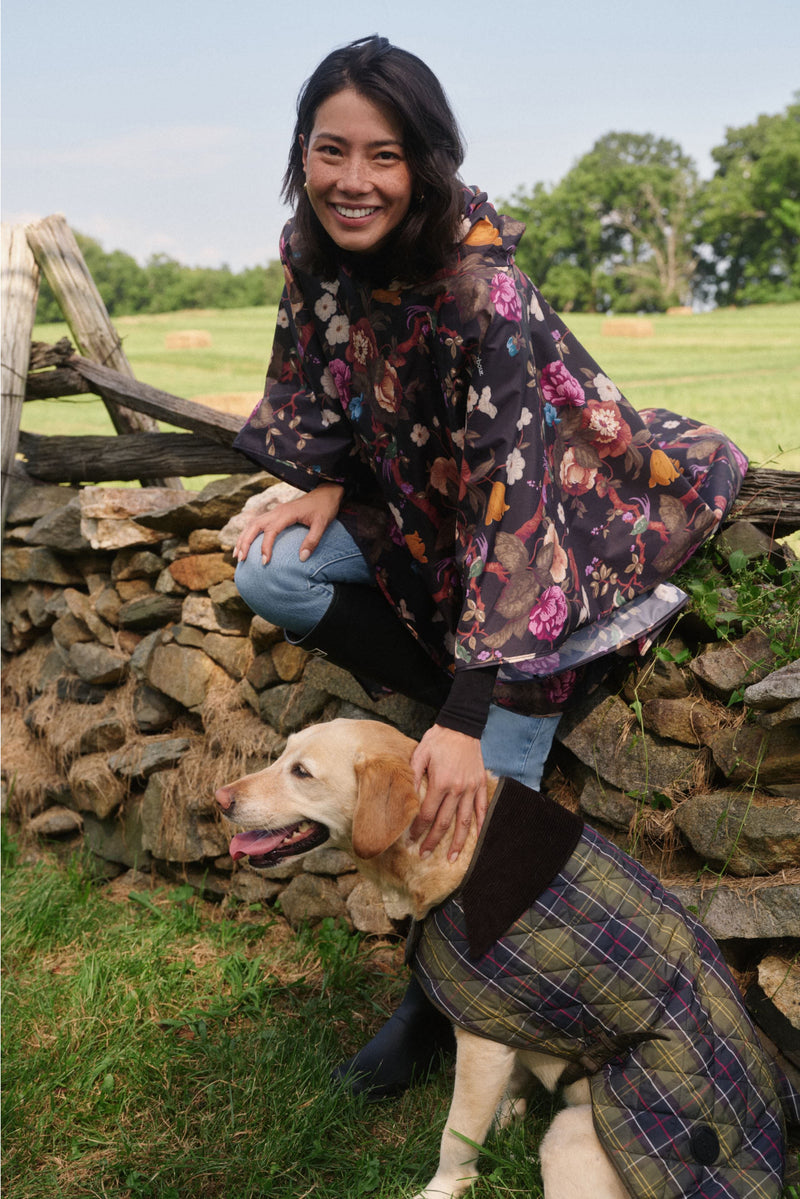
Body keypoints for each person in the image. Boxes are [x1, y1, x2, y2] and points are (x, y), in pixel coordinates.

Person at [231, 35, 747, 1101]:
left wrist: (466, 719)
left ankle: (433, 999)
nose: (353, 179)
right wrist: (321, 474)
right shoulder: (308, 248)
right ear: (302, 152)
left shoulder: (481, 290)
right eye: (331, 151)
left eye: (384, 155)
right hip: (416, 509)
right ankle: (457, 690)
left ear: (423, 161)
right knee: (271, 572)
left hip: (550, 514)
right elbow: (308, 370)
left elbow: (512, 502)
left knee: (481, 789)